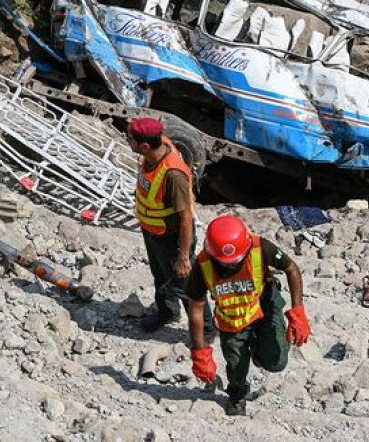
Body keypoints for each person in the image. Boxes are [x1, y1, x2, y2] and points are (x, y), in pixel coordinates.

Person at [185, 215, 311, 416]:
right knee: (236, 366)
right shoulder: (202, 266)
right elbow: (196, 309)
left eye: (236, 261)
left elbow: (291, 268)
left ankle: (258, 350)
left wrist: (298, 311)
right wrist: (200, 352)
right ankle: (237, 397)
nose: (231, 266)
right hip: (232, 322)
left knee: (276, 362)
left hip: (264, 307)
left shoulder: (260, 248)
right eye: (225, 263)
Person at [126, 117, 213, 335]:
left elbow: (186, 217)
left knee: (185, 284)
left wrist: (183, 256)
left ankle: (206, 328)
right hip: (153, 232)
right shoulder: (154, 149)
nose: (127, 140)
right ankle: (167, 312)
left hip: (172, 237)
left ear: (145, 146)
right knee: (160, 276)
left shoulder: (173, 175)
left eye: (130, 139)